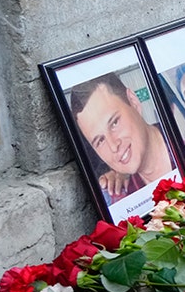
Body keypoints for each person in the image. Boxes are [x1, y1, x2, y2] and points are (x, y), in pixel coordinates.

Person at [70, 72, 176, 204]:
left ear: (133, 102)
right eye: (100, 141)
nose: (113, 146)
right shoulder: (121, 200)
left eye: (114, 123)